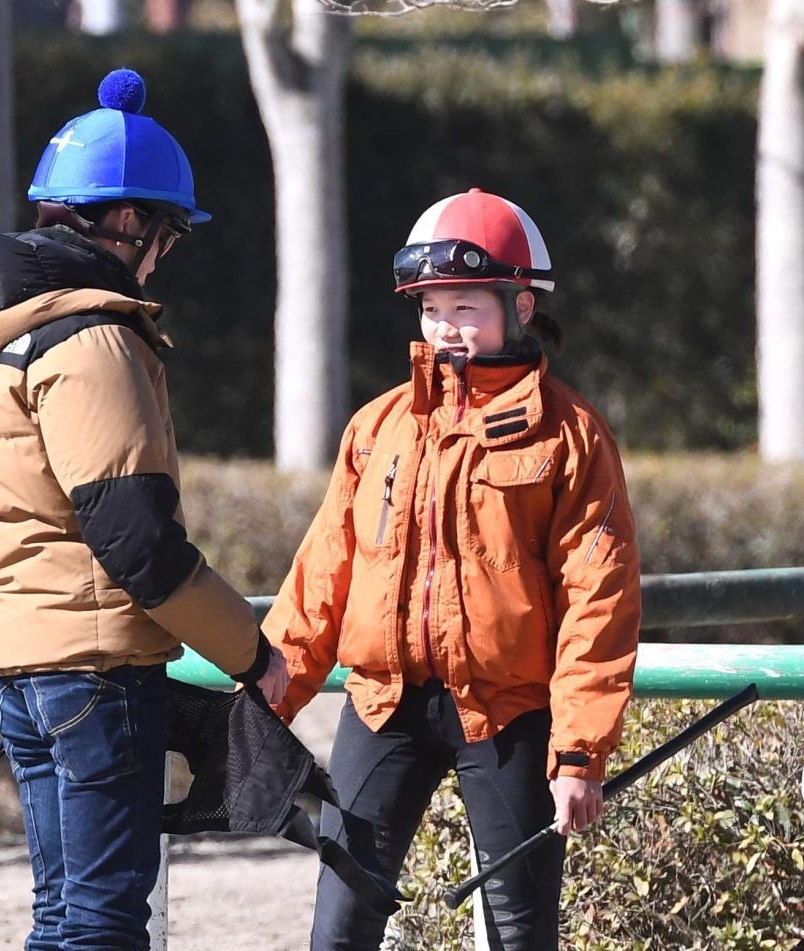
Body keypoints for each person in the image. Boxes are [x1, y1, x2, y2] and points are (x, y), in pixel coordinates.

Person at [0, 68, 288, 950]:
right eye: (169, 234)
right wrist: (249, 652)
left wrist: (8, 617)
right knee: (107, 917)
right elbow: (139, 542)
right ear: (128, 223)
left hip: (17, 674)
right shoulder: (97, 337)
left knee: (60, 910)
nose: (166, 255)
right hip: (101, 675)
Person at [262, 189, 642, 950]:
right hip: (381, 706)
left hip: (509, 717)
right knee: (339, 924)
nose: (446, 328)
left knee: (518, 931)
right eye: (433, 308)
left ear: (522, 305)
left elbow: (600, 600)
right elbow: (324, 574)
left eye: (466, 307)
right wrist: (262, 700)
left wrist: (579, 753)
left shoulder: (574, 438)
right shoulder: (378, 426)